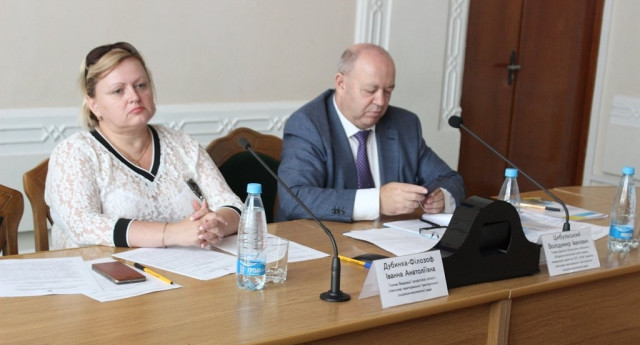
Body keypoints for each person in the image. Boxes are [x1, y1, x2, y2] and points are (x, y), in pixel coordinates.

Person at [45, 42, 243, 249]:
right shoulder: (75, 152)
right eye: (118, 91)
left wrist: (215, 224)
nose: (134, 97)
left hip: (188, 266)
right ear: (93, 105)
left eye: (141, 85)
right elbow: (83, 226)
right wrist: (171, 233)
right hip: (102, 267)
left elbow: (233, 205)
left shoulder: (183, 144)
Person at [276, 43, 465, 222]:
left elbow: (450, 179)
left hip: (392, 239)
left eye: (388, 91)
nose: (381, 101)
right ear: (341, 83)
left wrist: (442, 197)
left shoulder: (404, 124)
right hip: (324, 240)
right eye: (370, 90)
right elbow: (294, 198)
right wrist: (377, 201)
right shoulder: (308, 125)